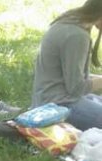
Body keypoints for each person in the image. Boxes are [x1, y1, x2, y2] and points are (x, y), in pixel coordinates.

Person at [31, 0, 102, 130]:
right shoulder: (77, 36)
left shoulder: (70, 22)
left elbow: (72, 76)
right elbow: (76, 89)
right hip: (58, 107)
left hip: (48, 100)